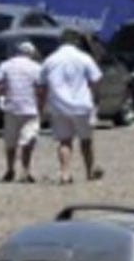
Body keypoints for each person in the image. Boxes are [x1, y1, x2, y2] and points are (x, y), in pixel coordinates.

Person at [40, 28, 104, 184]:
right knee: (86, 140)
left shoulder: (50, 60)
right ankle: (89, 171)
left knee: (64, 141)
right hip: (82, 104)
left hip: (59, 105)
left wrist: (42, 105)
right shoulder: (84, 58)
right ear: (76, 42)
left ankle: (65, 172)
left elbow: (41, 84)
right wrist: (94, 97)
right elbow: (96, 79)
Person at [0, 40, 44, 183]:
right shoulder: (36, 67)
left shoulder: (7, 65)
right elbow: (40, 89)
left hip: (11, 107)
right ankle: (25, 171)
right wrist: (41, 106)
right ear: (31, 54)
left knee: (10, 141)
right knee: (28, 141)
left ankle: (10, 169)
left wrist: (0, 96)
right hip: (30, 108)